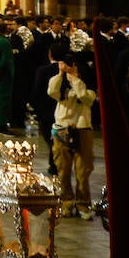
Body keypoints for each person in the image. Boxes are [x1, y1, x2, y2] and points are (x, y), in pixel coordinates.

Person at [48, 51, 96, 219]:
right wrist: (61, 73)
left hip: (83, 129)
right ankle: (66, 202)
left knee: (83, 171)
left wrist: (75, 78)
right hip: (62, 128)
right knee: (63, 169)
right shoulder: (60, 85)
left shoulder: (86, 87)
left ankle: (83, 205)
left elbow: (85, 98)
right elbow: (51, 91)